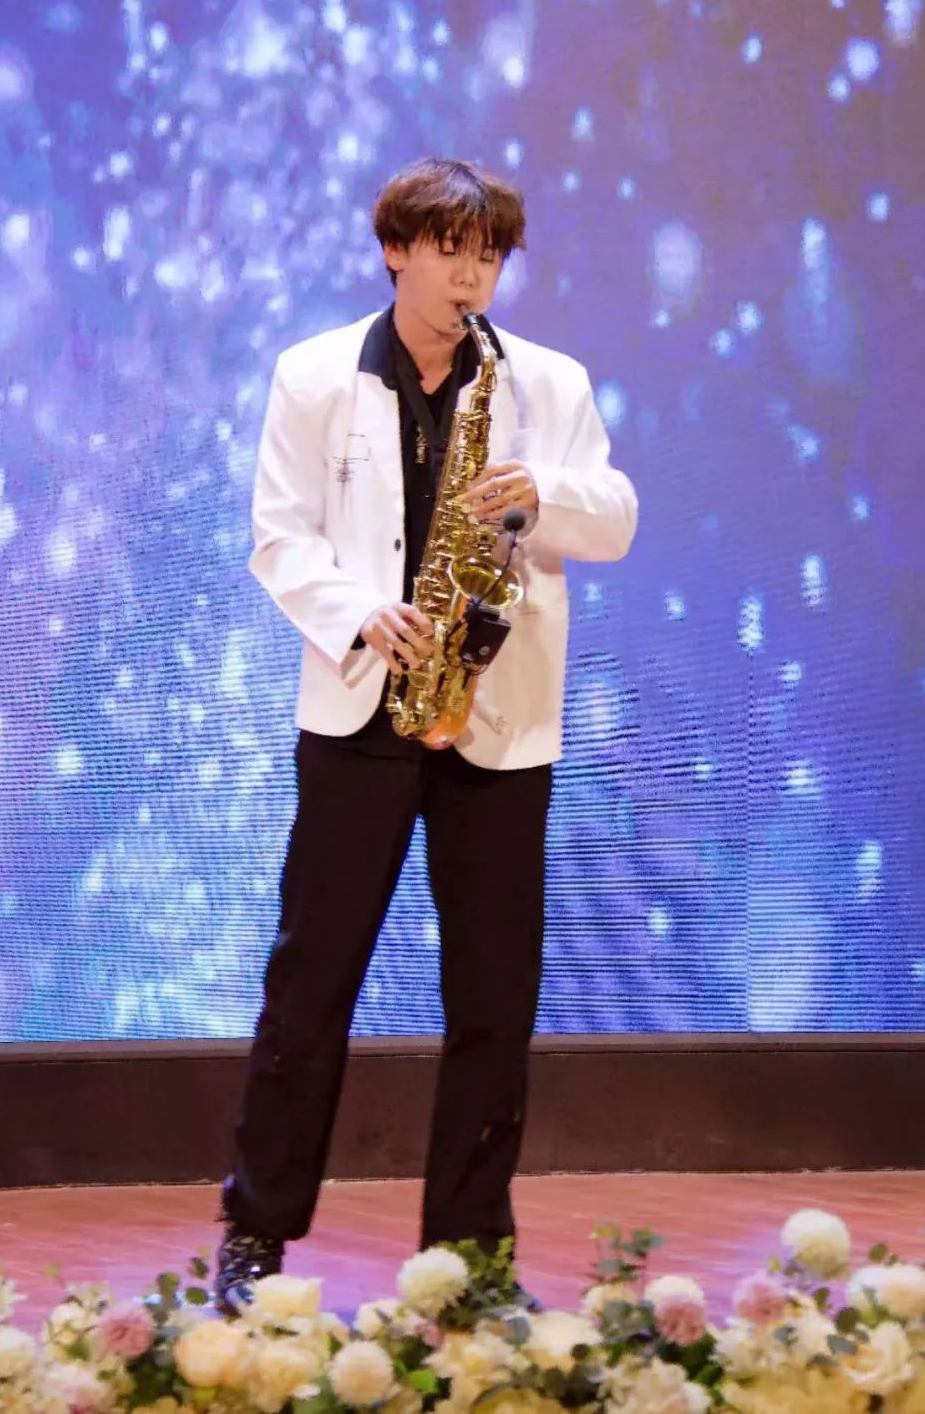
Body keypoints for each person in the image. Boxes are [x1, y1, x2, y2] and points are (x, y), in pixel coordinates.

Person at [216, 157, 638, 1314]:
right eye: (449, 250)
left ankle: (472, 1257)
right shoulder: (313, 374)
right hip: (363, 709)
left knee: (495, 999)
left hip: (498, 722)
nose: (470, 276)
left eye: (488, 255)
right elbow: (279, 536)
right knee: (311, 983)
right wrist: (362, 611)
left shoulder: (547, 383)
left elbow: (615, 519)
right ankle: (255, 1234)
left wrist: (540, 494)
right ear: (395, 250)